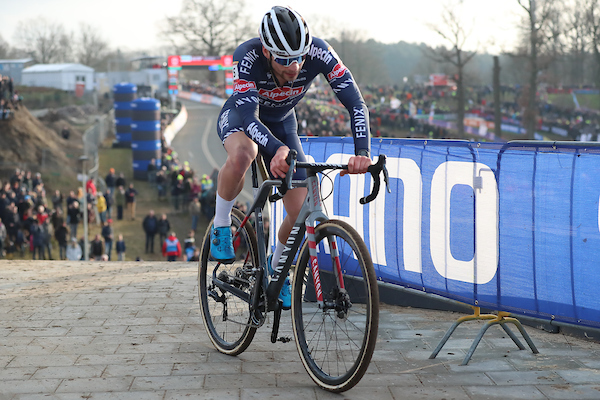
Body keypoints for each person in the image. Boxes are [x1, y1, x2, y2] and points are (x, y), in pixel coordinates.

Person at [211, 6, 372, 309]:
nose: (294, 67)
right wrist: (275, 149)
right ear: (267, 52)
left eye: (298, 57)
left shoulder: (320, 52)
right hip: (243, 119)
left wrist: (362, 152)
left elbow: (356, 104)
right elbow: (248, 117)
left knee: (301, 213)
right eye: (284, 60)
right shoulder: (246, 56)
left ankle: (278, 266)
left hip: (284, 123)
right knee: (246, 152)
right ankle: (221, 224)